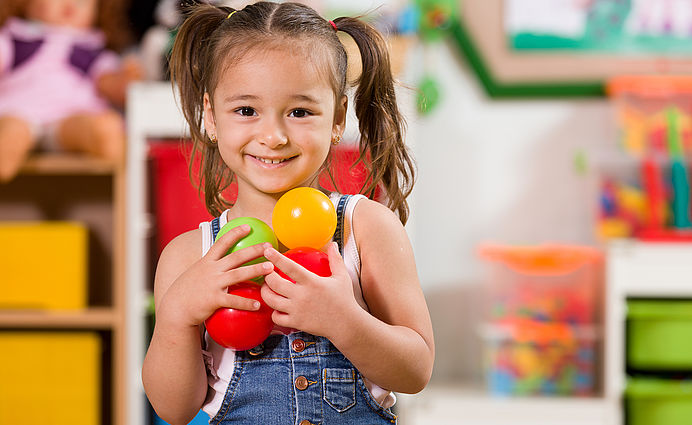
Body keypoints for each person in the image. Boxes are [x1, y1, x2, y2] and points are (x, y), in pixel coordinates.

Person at [141, 2, 434, 424]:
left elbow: (416, 370)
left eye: (300, 112)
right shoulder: (189, 256)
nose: (274, 136)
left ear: (337, 118)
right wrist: (177, 317)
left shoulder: (365, 229)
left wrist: (345, 320)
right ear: (210, 115)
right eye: (246, 110)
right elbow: (173, 409)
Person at [0, 0, 141, 182]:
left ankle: (101, 137)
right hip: (21, 114)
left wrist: (124, 81)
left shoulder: (92, 51)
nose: (72, 3)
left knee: (99, 127)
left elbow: (108, 83)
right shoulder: (16, 39)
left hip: (69, 122)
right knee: (13, 131)